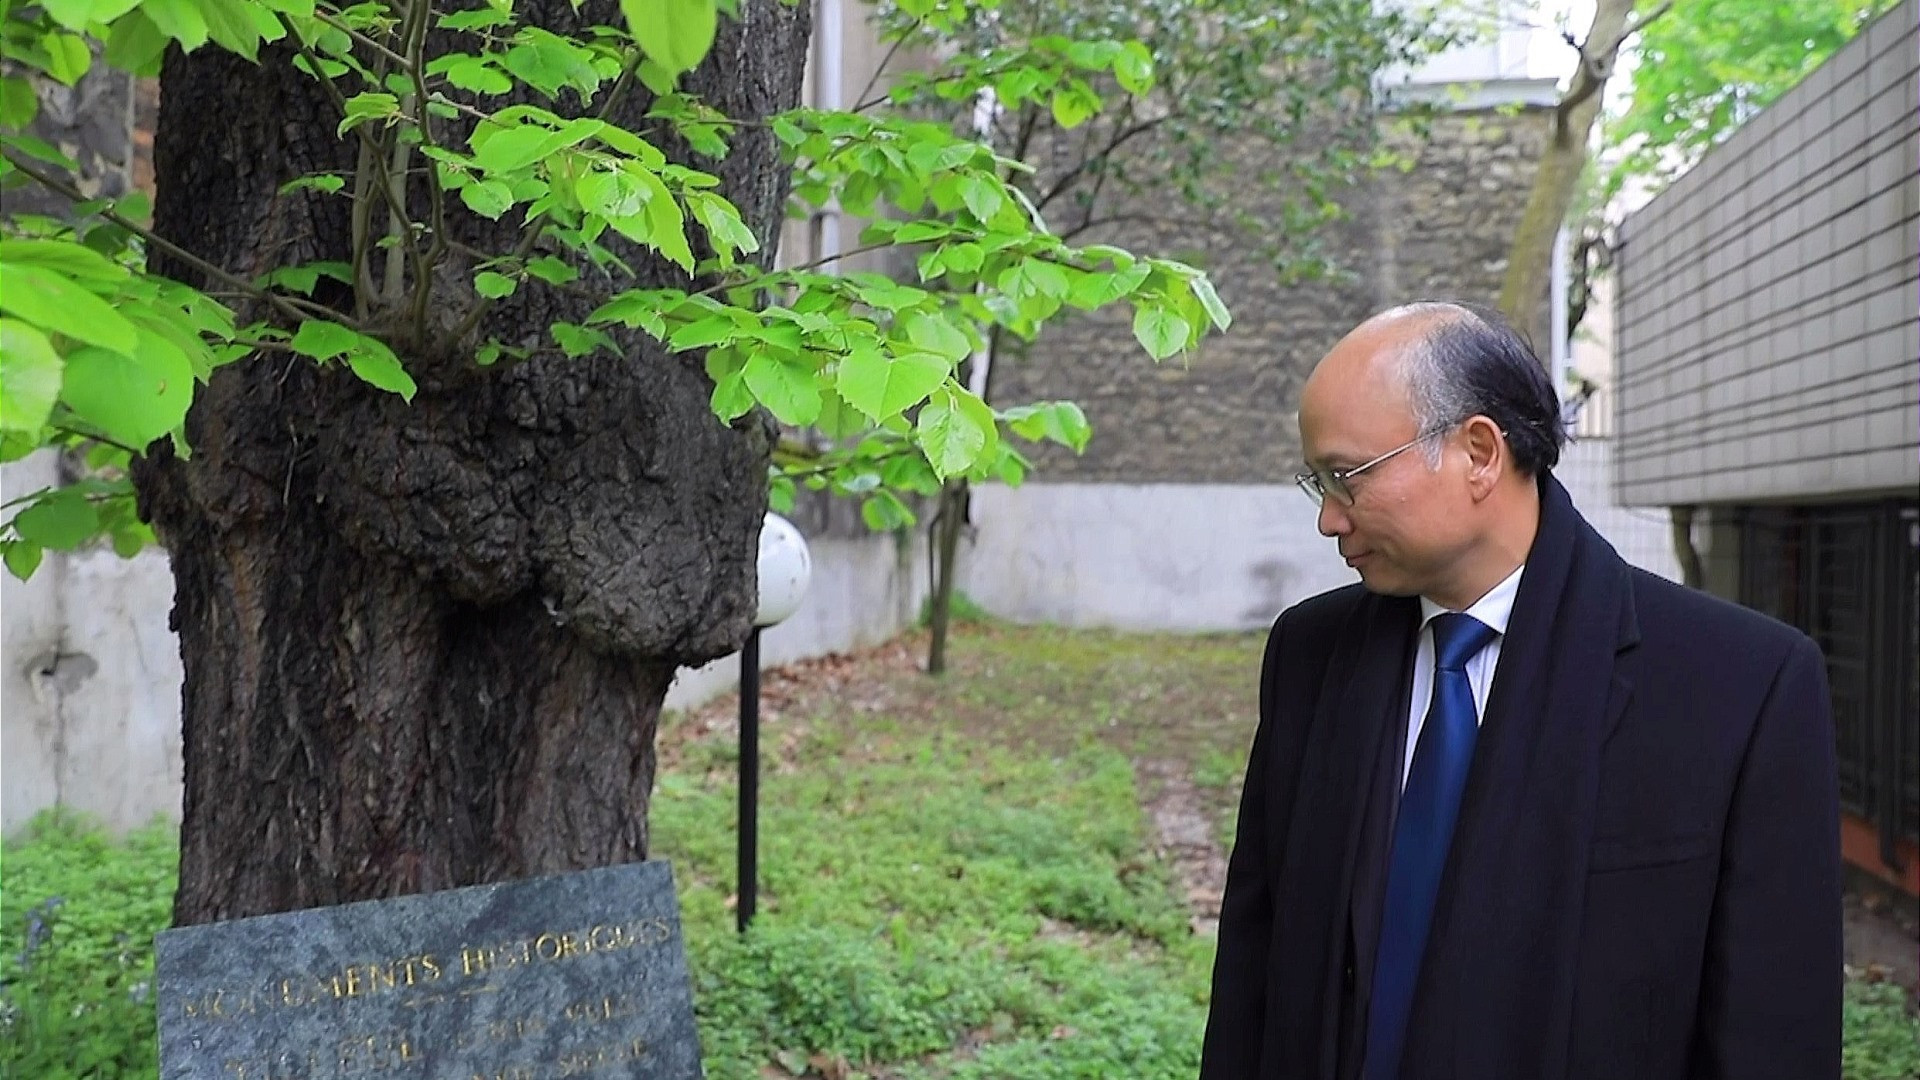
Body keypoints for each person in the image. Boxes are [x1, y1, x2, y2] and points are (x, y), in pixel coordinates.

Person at [1199, 302, 1842, 1080]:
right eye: (1318, 483)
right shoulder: (1310, 654)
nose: (1330, 520)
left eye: (1348, 477)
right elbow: (1254, 968)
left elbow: (1773, 1035)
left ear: (1478, 453)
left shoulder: (1742, 686)